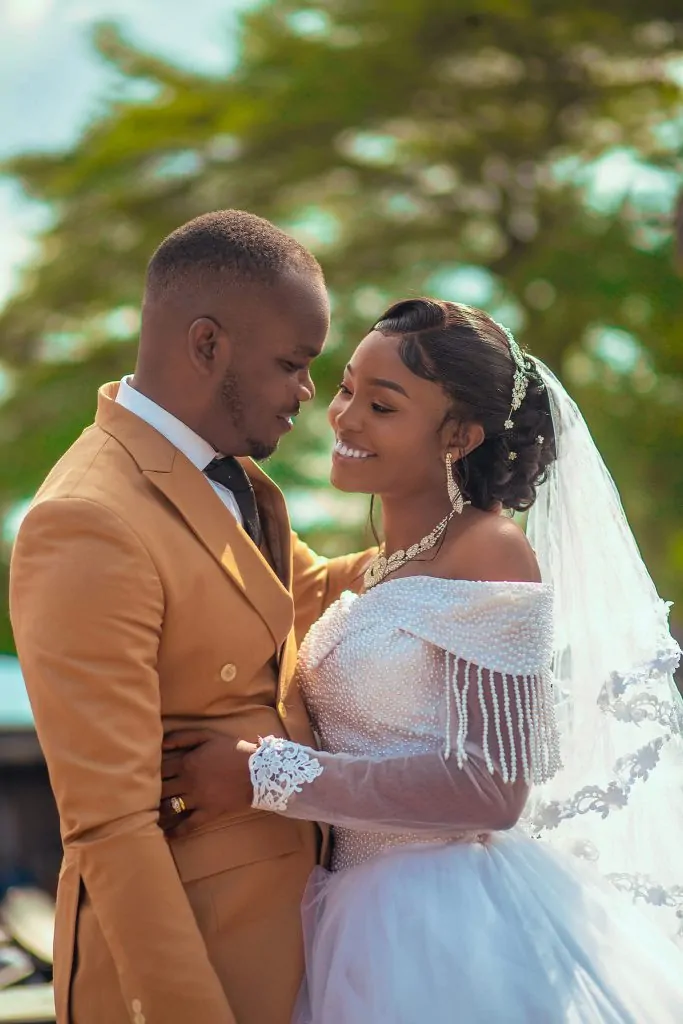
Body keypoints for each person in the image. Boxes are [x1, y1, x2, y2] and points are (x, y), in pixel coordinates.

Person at [165, 298, 683, 1022]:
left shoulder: (490, 551)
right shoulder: (378, 568)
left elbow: (491, 790)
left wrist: (263, 775)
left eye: (381, 406)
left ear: (460, 436)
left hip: (445, 927)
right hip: (348, 910)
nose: (344, 418)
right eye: (346, 388)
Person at [9, 210, 370, 1024]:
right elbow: (110, 830)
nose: (308, 393)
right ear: (207, 344)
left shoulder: (222, 473)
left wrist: (469, 552)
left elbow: (308, 593)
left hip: (298, 946)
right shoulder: (87, 520)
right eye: (291, 364)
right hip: (197, 969)